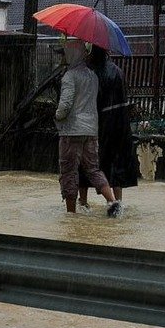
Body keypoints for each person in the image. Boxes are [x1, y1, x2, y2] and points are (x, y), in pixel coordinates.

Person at [56, 38, 121, 217]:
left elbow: (65, 105)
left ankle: (71, 214)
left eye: (64, 53)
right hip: (91, 130)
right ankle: (112, 201)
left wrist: (57, 116)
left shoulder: (69, 76)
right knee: (93, 169)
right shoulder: (92, 76)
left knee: (69, 171)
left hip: (71, 131)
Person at [95, 45, 140, 195]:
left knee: (95, 164)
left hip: (103, 123)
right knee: (117, 163)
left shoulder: (94, 72)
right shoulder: (118, 71)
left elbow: (95, 100)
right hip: (121, 124)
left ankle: (84, 202)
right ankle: (118, 201)